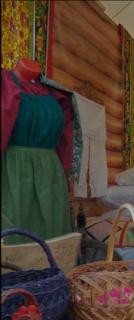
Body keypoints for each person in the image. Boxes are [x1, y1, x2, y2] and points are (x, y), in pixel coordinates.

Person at [2, 58, 81, 244]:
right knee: (15, 233)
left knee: (53, 234)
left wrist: (66, 174)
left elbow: (67, 139)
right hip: (13, 171)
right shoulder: (4, 84)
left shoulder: (57, 93)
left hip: (50, 175)